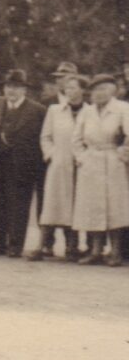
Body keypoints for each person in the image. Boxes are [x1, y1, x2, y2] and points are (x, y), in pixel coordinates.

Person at [0, 70, 47, 258]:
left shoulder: (37, 110)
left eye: (16, 87)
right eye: (9, 86)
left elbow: (41, 140)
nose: (12, 91)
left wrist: (34, 165)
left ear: (24, 89)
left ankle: (15, 245)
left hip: (21, 165)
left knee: (18, 205)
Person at [27, 73, 86, 261]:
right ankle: (42, 244)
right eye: (67, 88)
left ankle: (72, 246)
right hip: (59, 163)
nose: (70, 91)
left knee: (76, 205)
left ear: (83, 90)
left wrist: (83, 157)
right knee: (52, 204)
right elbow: (45, 136)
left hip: (82, 165)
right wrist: (51, 154)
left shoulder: (90, 112)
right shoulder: (55, 110)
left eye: (74, 88)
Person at [71, 74, 129, 266]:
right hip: (91, 163)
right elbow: (76, 139)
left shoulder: (122, 109)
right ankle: (95, 250)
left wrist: (122, 154)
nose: (98, 94)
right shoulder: (87, 112)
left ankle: (116, 252)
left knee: (115, 207)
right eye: (95, 90)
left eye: (103, 89)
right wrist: (82, 158)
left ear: (113, 91)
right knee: (92, 206)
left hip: (113, 162)